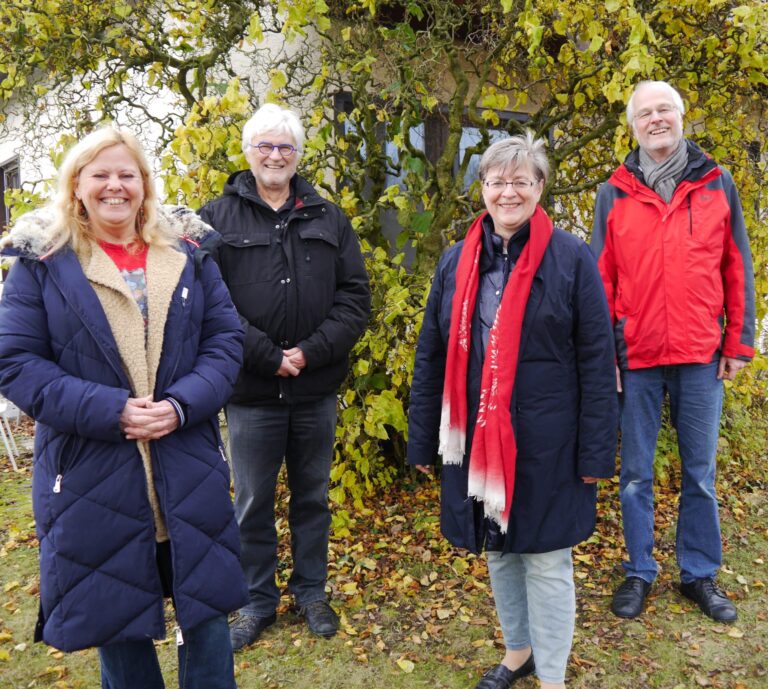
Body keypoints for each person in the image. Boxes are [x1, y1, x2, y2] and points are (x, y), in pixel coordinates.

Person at [0, 127, 248, 689]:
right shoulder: (43, 262)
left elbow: (225, 341)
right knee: (120, 627)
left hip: (186, 464)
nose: (116, 185)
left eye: (127, 174)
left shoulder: (188, 253)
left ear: (144, 184)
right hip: (92, 475)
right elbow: (16, 362)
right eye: (101, 174)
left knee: (205, 617)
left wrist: (181, 406)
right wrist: (113, 410)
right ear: (77, 186)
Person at [408, 132, 618, 689]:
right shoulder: (456, 261)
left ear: (539, 187)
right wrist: (422, 435)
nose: (508, 193)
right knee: (497, 551)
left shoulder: (572, 259)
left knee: (547, 560)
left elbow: (599, 360)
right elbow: (431, 353)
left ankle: (552, 677)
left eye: (520, 182)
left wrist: (598, 450)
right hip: (478, 441)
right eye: (497, 181)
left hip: (550, 441)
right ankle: (518, 652)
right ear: (482, 187)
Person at [199, 103, 370, 648]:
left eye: (286, 147)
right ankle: (256, 600)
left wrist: (308, 353)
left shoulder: (328, 216)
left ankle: (311, 593)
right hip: (250, 391)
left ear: (298, 156)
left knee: (312, 497)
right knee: (251, 501)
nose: (276, 156)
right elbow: (210, 304)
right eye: (265, 146)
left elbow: (354, 298)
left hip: (315, 388)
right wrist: (268, 354)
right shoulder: (215, 219)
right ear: (248, 152)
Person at [591, 80, 756, 622]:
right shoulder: (613, 191)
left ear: (681, 116)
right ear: (633, 126)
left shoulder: (716, 182)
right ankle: (638, 571)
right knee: (636, 473)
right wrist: (606, 356)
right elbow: (602, 278)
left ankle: (699, 574)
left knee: (700, 475)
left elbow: (737, 266)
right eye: (645, 113)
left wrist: (738, 342)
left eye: (664, 109)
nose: (655, 119)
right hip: (635, 356)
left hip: (701, 353)